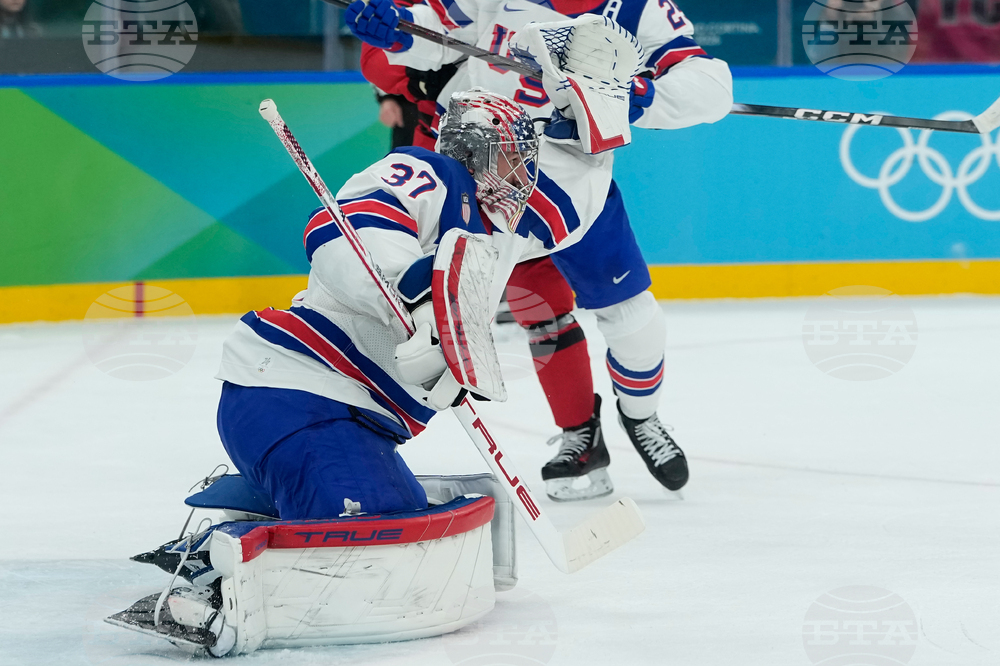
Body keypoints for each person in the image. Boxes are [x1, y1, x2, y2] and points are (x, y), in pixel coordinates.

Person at [346, 0, 734, 498]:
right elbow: (436, 34)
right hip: (487, 172)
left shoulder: (635, 8)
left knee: (634, 319)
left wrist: (642, 95)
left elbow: (712, 85)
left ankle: (642, 415)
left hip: (575, 179)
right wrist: (398, 33)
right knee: (536, 316)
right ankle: (581, 440)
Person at [359, 35, 603, 502]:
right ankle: (364, 431)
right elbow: (382, 59)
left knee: (544, 307)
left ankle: (581, 433)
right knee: (404, 320)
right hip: (445, 151)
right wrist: (400, 79)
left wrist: (582, 107)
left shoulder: (549, 26)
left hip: (515, 163)